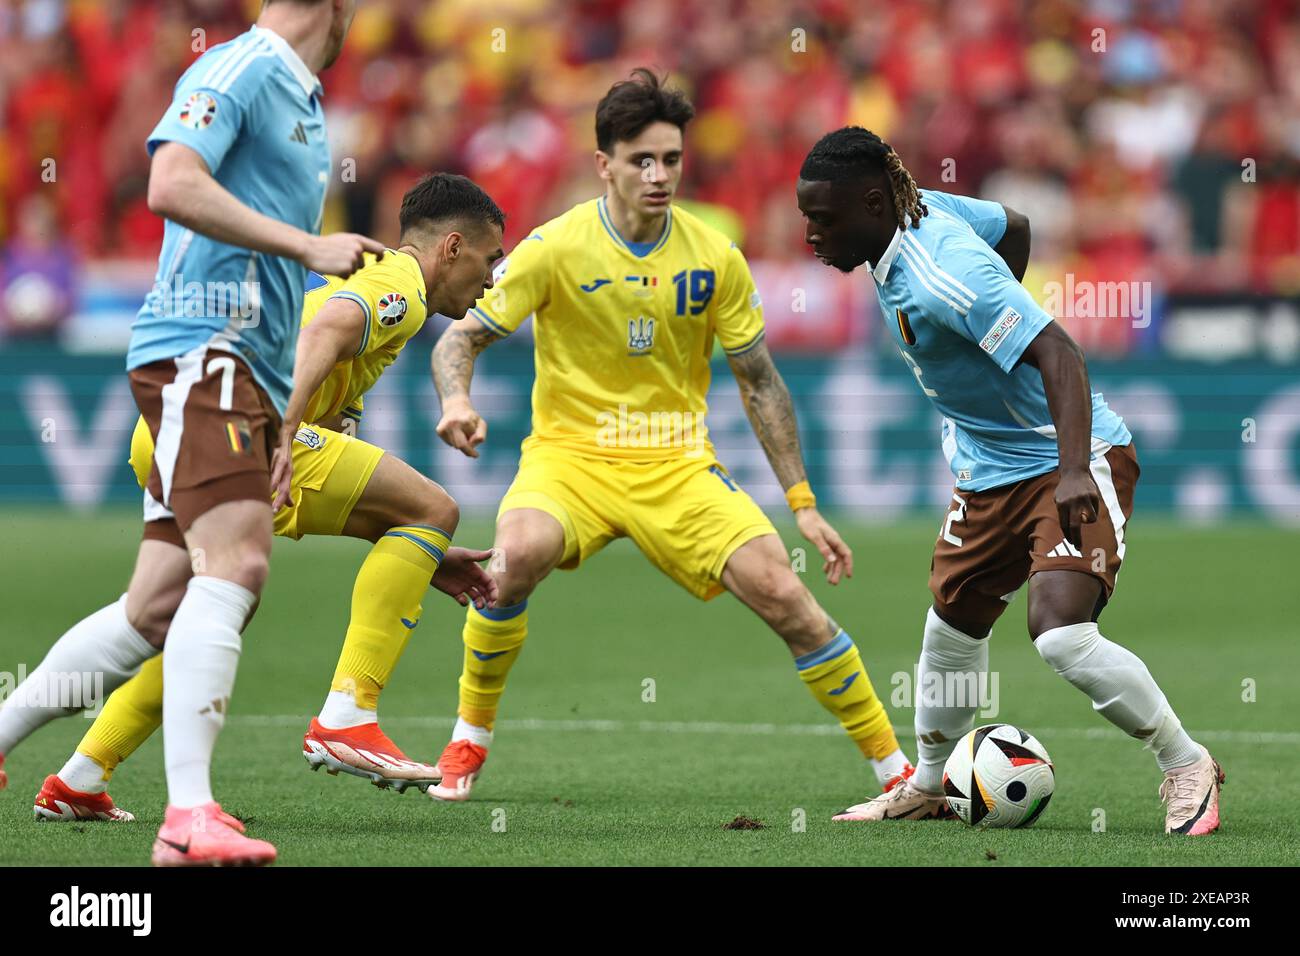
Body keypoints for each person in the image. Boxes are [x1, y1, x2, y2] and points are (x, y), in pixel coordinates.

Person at [427, 70, 910, 806]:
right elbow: (458, 340)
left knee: (785, 592)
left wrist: (802, 501)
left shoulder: (715, 256)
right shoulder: (554, 248)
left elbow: (760, 381)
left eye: (671, 160)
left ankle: (896, 772)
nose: (659, 176)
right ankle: (469, 737)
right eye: (641, 160)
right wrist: (456, 399)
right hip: (570, 458)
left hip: (676, 461)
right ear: (605, 166)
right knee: (511, 558)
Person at [0, 0, 384, 866]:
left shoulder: (300, 91)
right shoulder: (242, 67)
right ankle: (188, 815)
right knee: (239, 564)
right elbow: (170, 182)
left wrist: (281, 418)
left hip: (240, 366)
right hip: (202, 348)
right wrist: (307, 244)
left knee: (155, 606)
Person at [30, 174, 505, 824]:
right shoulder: (402, 287)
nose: (491, 282)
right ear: (452, 247)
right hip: (235, 422)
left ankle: (79, 778)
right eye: (489, 261)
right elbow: (326, 331)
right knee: (435, 507)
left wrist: (421, 554)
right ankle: (349, 712)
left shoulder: (365, 286)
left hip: (175, 422)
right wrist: (281, 429)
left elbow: (330, 381)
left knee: (200, 617)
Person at [795, 126, 1223, 835]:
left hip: (1067, 461)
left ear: (872, 202)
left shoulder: (947, 275)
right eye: (808, 215)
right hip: (987, 469)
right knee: (952, 622)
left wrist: (1076, 468)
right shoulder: (912, 209)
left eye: (824, 218)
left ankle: (1187, 764)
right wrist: (998, 339)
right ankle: (930, 785)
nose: (811, 233)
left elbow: (1059, 353)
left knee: (1060, 636)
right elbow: (1015, 225)